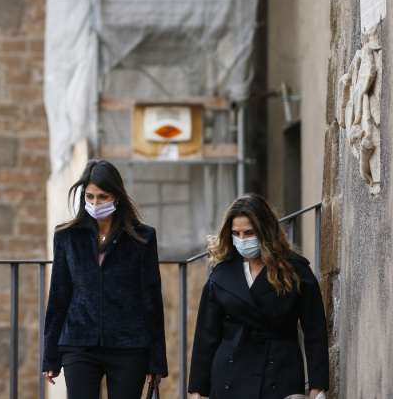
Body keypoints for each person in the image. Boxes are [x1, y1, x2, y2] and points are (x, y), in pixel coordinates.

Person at [42, 159, 167, 398]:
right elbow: (59, 296)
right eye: (90, 197)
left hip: (129, 346)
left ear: (116, 197)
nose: (95, 203)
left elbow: (151, 299)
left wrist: (157, 360)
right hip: (79, 343)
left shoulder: (142, 238)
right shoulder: (67, 236)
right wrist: (50, 357)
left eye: (102, 197)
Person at [188, 193, 329, 399]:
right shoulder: (222, 274)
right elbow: (205, 336)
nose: (242, 240)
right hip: (229, 376)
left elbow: (315, 330)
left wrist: (317, 385)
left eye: (249, 232)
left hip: (279, 373)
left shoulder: (296, 271)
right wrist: (197, 390)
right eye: (236, 233)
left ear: (265, 231)